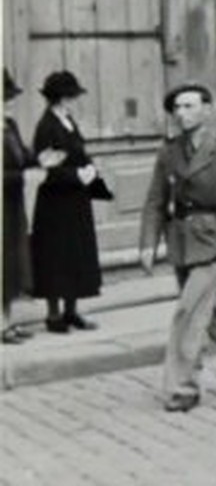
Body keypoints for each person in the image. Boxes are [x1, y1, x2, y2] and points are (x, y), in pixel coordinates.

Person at [138, 84, 216, 413]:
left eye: (190, 106)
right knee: (202, 312)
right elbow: (155, 201)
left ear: (207, 110)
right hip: (181, 241)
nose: (182, 113)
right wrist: (148, 244)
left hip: (214, 241)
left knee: (188, 312)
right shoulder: (168, 153)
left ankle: (183, 388)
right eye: (177, 107)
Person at [30, 70, 105, 334]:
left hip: (75, 199)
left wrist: (90, 169)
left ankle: (71, 311)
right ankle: (53, 315)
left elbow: (77, 152)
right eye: (71, 96)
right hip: (55, 202)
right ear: (61, 98)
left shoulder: (67, 120)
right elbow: (44, 165)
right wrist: (76, 174)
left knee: (75, 254)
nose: (74, 100)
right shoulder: (47, 125)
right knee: (55, 256)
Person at [3, 70, 54, 344]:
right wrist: (23, 176)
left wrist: (39, 159)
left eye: (9, 98)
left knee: (12, 267)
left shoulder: (9, 126)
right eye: (4, 99)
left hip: (11, 207)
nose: (9, 103)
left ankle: (7, 322)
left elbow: (22, 155)